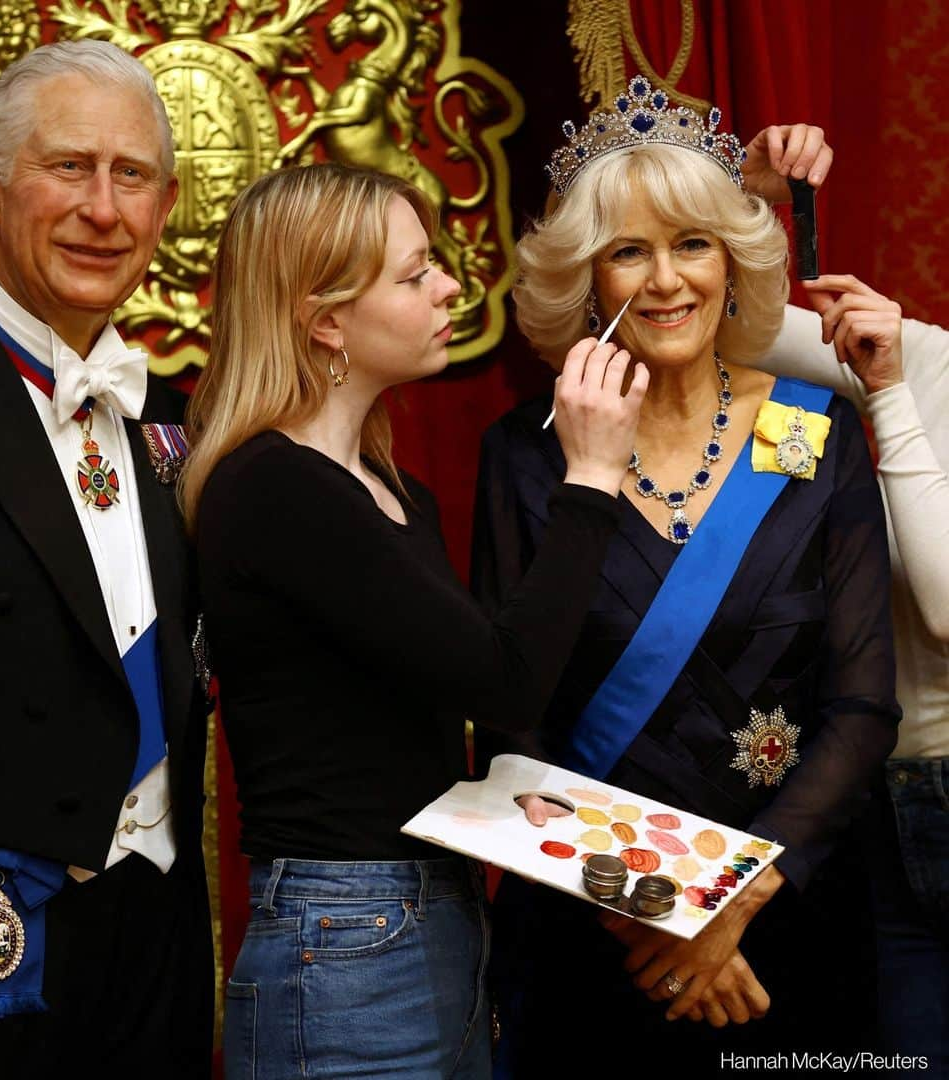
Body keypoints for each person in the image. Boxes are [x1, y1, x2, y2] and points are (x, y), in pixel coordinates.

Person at [180, 161, 647, 1079]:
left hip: (426, 911)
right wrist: (592, 475)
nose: (449, 288)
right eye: (414, 274)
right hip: (343, 929)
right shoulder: (275, 487)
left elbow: (441, 703)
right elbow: (509, 675)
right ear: (325, 321)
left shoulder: (392, 489)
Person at [471, 75, 900, 1073]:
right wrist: (658, 917)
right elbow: (509, 720)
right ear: (589, 280)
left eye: (692, 244)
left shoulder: (812, 432)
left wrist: (731, 910)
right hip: (601, 934)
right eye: (630, 252)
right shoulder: (527, 455)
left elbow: (863, 704)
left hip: (792, 919)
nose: (667, 282)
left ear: (735, 262)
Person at [0, 40, 213, 1077]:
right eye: (70, 167)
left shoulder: (179, 420)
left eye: (132, 176)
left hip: (154, 947)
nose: (103, 210)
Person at [756, 287, 949, 1074]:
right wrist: (750, 194)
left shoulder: (911, 373)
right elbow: (708, 314)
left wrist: (890, 398)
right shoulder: (930, 353)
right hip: (890, 799)